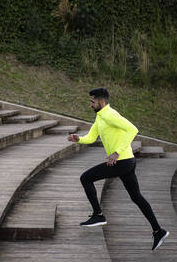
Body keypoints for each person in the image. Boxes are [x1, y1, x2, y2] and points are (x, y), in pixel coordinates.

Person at [68, 87, 169, 251]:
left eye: (92, 102)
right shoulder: (100, 117)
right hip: (126, 162)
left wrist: (116, 152)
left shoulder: (110, 114)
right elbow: (91, 137)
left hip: (122, 161)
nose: (90, 105)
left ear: (101, 102)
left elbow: (133, 129)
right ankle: (159, 231)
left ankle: (98, 215)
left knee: (85, 178)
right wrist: (78, 138)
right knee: (136, 197)